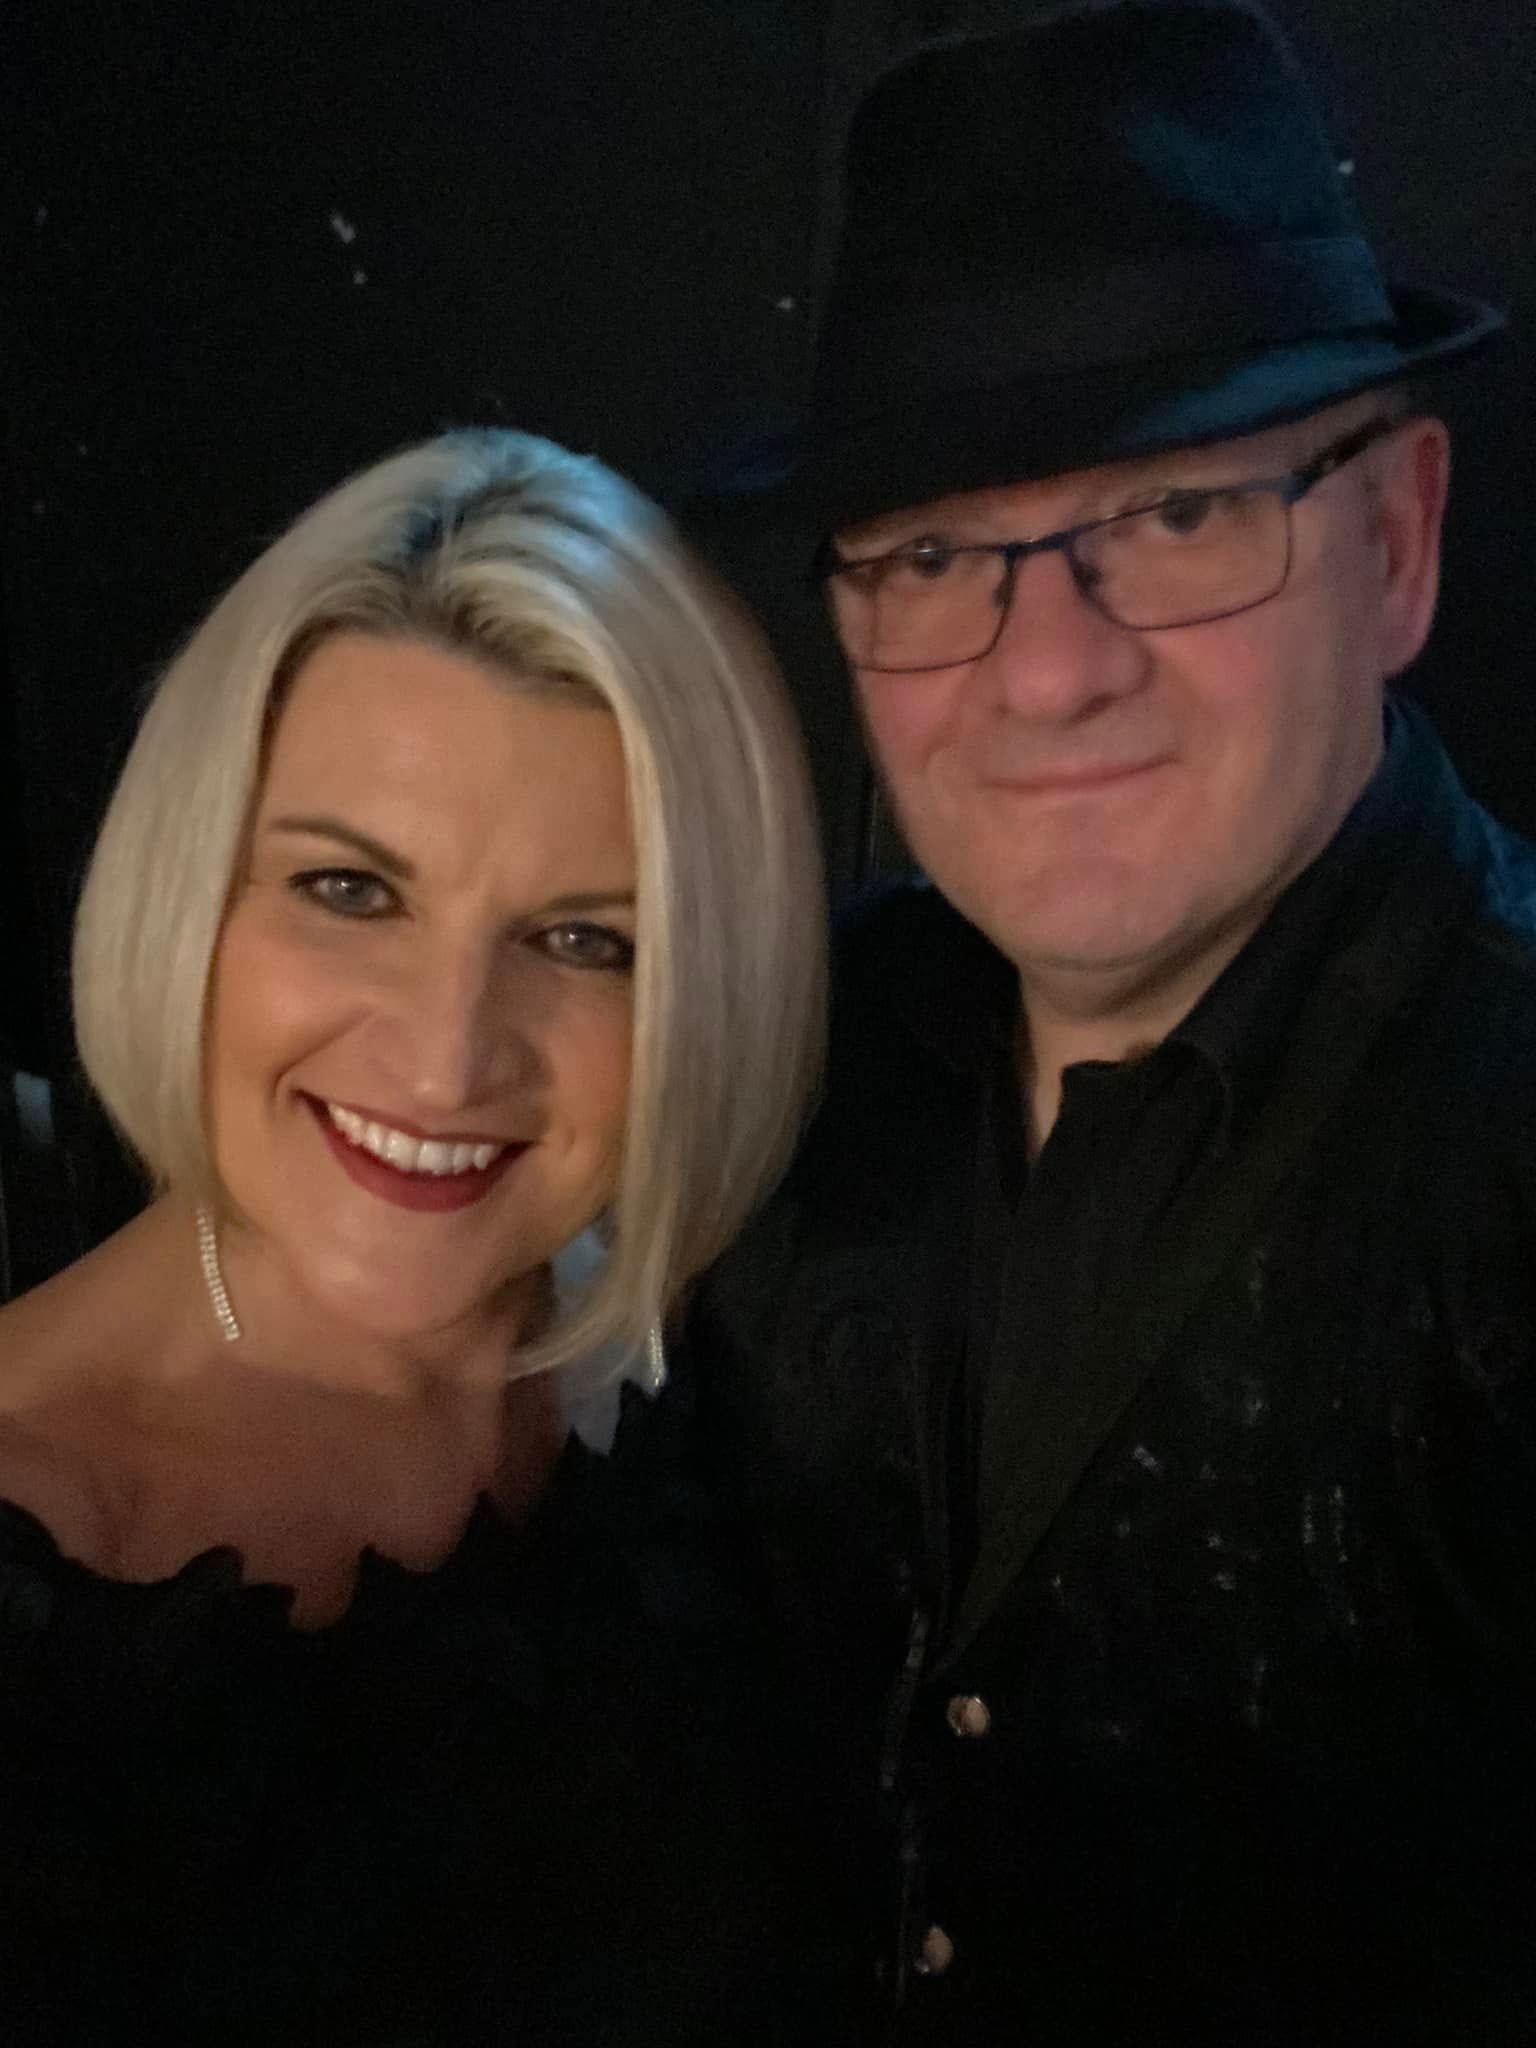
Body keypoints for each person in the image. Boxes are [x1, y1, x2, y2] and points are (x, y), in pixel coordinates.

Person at [687, 1, 1536, 2039]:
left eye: (1177, 515)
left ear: (1398, 544)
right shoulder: (779, 1050)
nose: (1049, 671)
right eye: (933, 551)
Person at [0, 427, 824, 2040]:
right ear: (189, 894)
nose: (447, 1061)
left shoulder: (711, 1381)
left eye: (582, 941)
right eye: (351, 893)